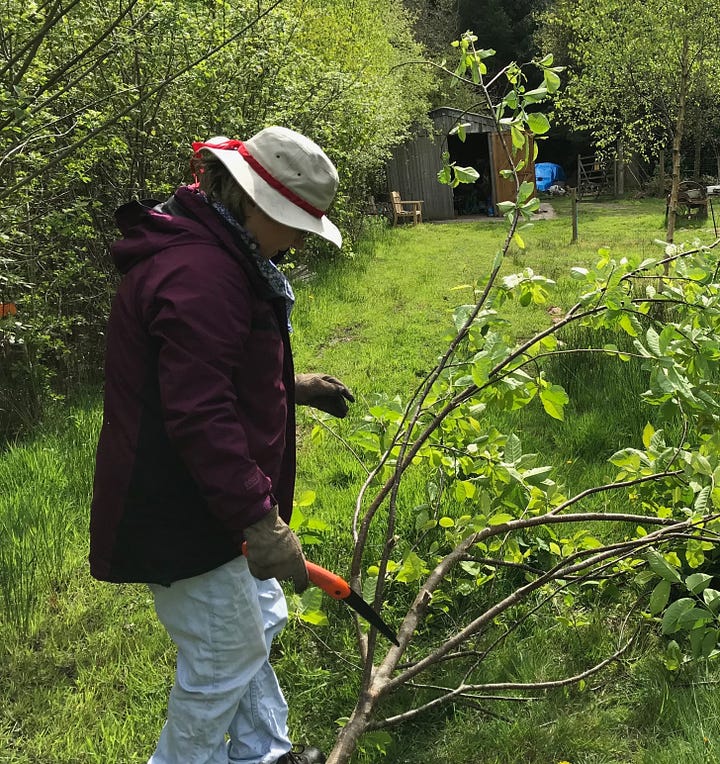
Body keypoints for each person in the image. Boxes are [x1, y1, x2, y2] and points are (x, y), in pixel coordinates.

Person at [89, 126, 355, 764]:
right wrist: (260, 521)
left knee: (255, 624)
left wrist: (292, 385)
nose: (294, 243)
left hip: (208, 503)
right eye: (294, 226)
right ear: (255, 204)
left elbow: (208, 369)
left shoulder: (218, 252)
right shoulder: (200, 272)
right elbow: (200, 414)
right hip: (181, 509)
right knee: (219, 660)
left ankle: (263, 754)